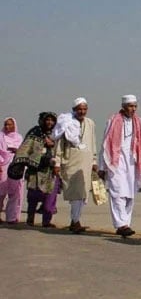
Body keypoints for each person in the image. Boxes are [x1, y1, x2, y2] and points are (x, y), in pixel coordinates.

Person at [99, 95, 141, 238]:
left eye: (135, 106)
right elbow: (105, 144)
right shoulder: (113, 120)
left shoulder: (140, 123)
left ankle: (126, 224)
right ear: (123, 106)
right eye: (130, 106)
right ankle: (120, 224)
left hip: (133, 162)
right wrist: (102, 167)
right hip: (115, 162)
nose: (133, 109)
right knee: (117, 192)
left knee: (130, 194)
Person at [53, 97, 97, 234]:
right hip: (71, 162)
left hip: (86, 162)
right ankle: (75, 221)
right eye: (79, 109)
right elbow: (59, 145)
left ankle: (75, 220)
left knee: (83, 194)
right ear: (74, 110)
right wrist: (57, 162)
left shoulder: (90, 123)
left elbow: (92, 142)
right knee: (75, 193)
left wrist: (94, 161)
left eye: (84, 109)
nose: (82, 112)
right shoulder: (67, 123)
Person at [17, 112, 59, 227]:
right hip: (34, 169)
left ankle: (46, 221)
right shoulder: (34, 132)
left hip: (49, 171)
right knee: (32, 196)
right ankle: (30, 219)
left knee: (49, 197)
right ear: (42, 120)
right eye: (47, 120)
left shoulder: (56, 134)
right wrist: (42, 144)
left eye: (52, 120)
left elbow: (60, 150)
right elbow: (26, 148)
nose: (49, 122)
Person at [0, 117, 23, 224]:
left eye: (10, 124)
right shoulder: (1, 137)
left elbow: (23, 151)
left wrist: (16, 150)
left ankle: (12, 217)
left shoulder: (19, 137)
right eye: (6, 124)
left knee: (15, 192)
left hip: (16, 166)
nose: (7, 127)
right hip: (3, 165)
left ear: (14, 125)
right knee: (1, 191)